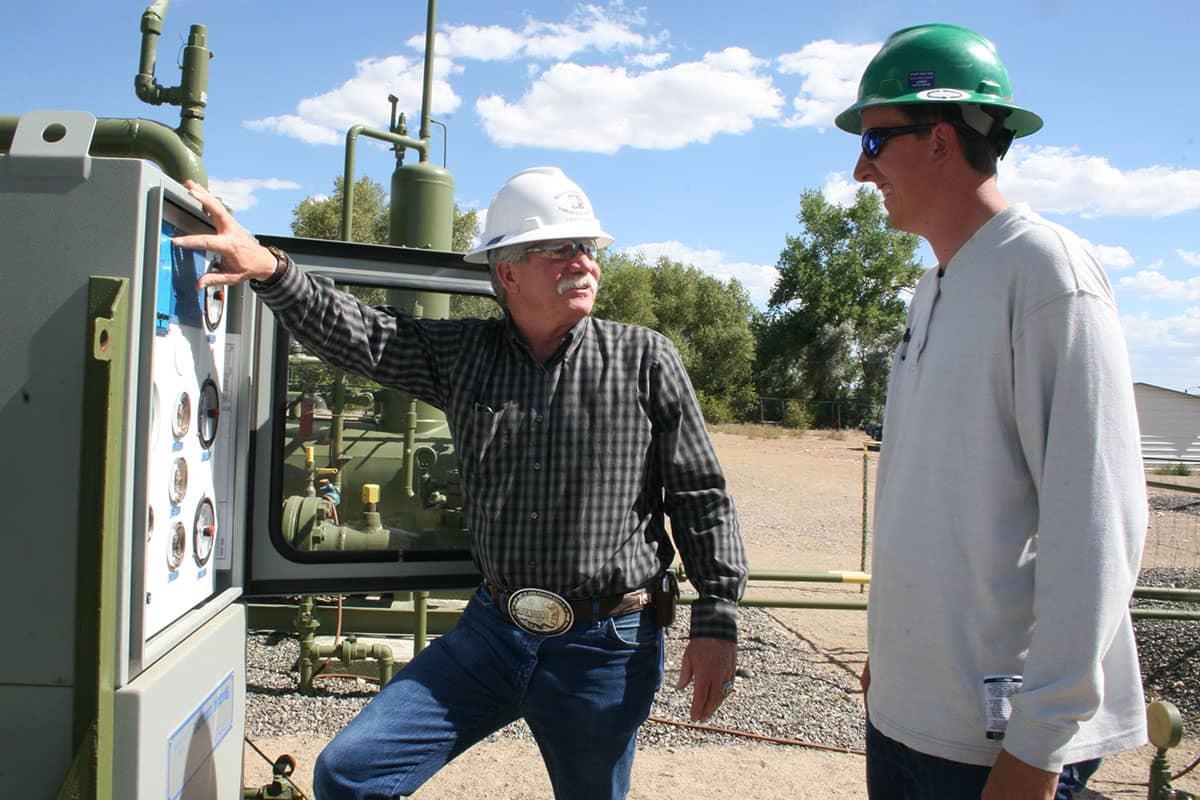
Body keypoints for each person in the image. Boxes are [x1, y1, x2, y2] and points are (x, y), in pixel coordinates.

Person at [175, 166, 748, 800]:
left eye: (587, 248)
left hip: (605, 644)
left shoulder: (645, 359)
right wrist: (271, 268)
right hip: (495, 633)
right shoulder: (465, 356)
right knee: (349, 773)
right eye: (558, 248)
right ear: (507, 272)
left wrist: (716, 620)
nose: (582, 262)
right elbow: (364, 336)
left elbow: (701, 497)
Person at [834, 24, 1148, 800]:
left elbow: (1098, 524)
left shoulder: (1046, 275)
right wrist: (895, 658)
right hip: (911, 714)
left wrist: (1038, 747)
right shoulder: (934, 287)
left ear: (941, 140)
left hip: (995, 745)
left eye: (875, 141)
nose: (859, 168)